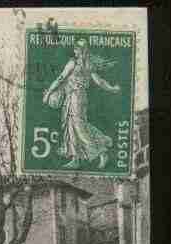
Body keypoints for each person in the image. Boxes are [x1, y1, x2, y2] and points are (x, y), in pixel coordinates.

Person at [42, 38, 122, 170]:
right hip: (77, 97)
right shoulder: (88, 64)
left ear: (81, 50)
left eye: (77, 48)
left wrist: (48, 93)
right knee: (71, 126)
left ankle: (101, 153)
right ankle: (75, 158)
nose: (75, 50)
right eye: (75, 48)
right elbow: (100, 81)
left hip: (75, 97)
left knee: (79, 127)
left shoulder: (73, 63)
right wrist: (112, 88)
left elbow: (61, 78)